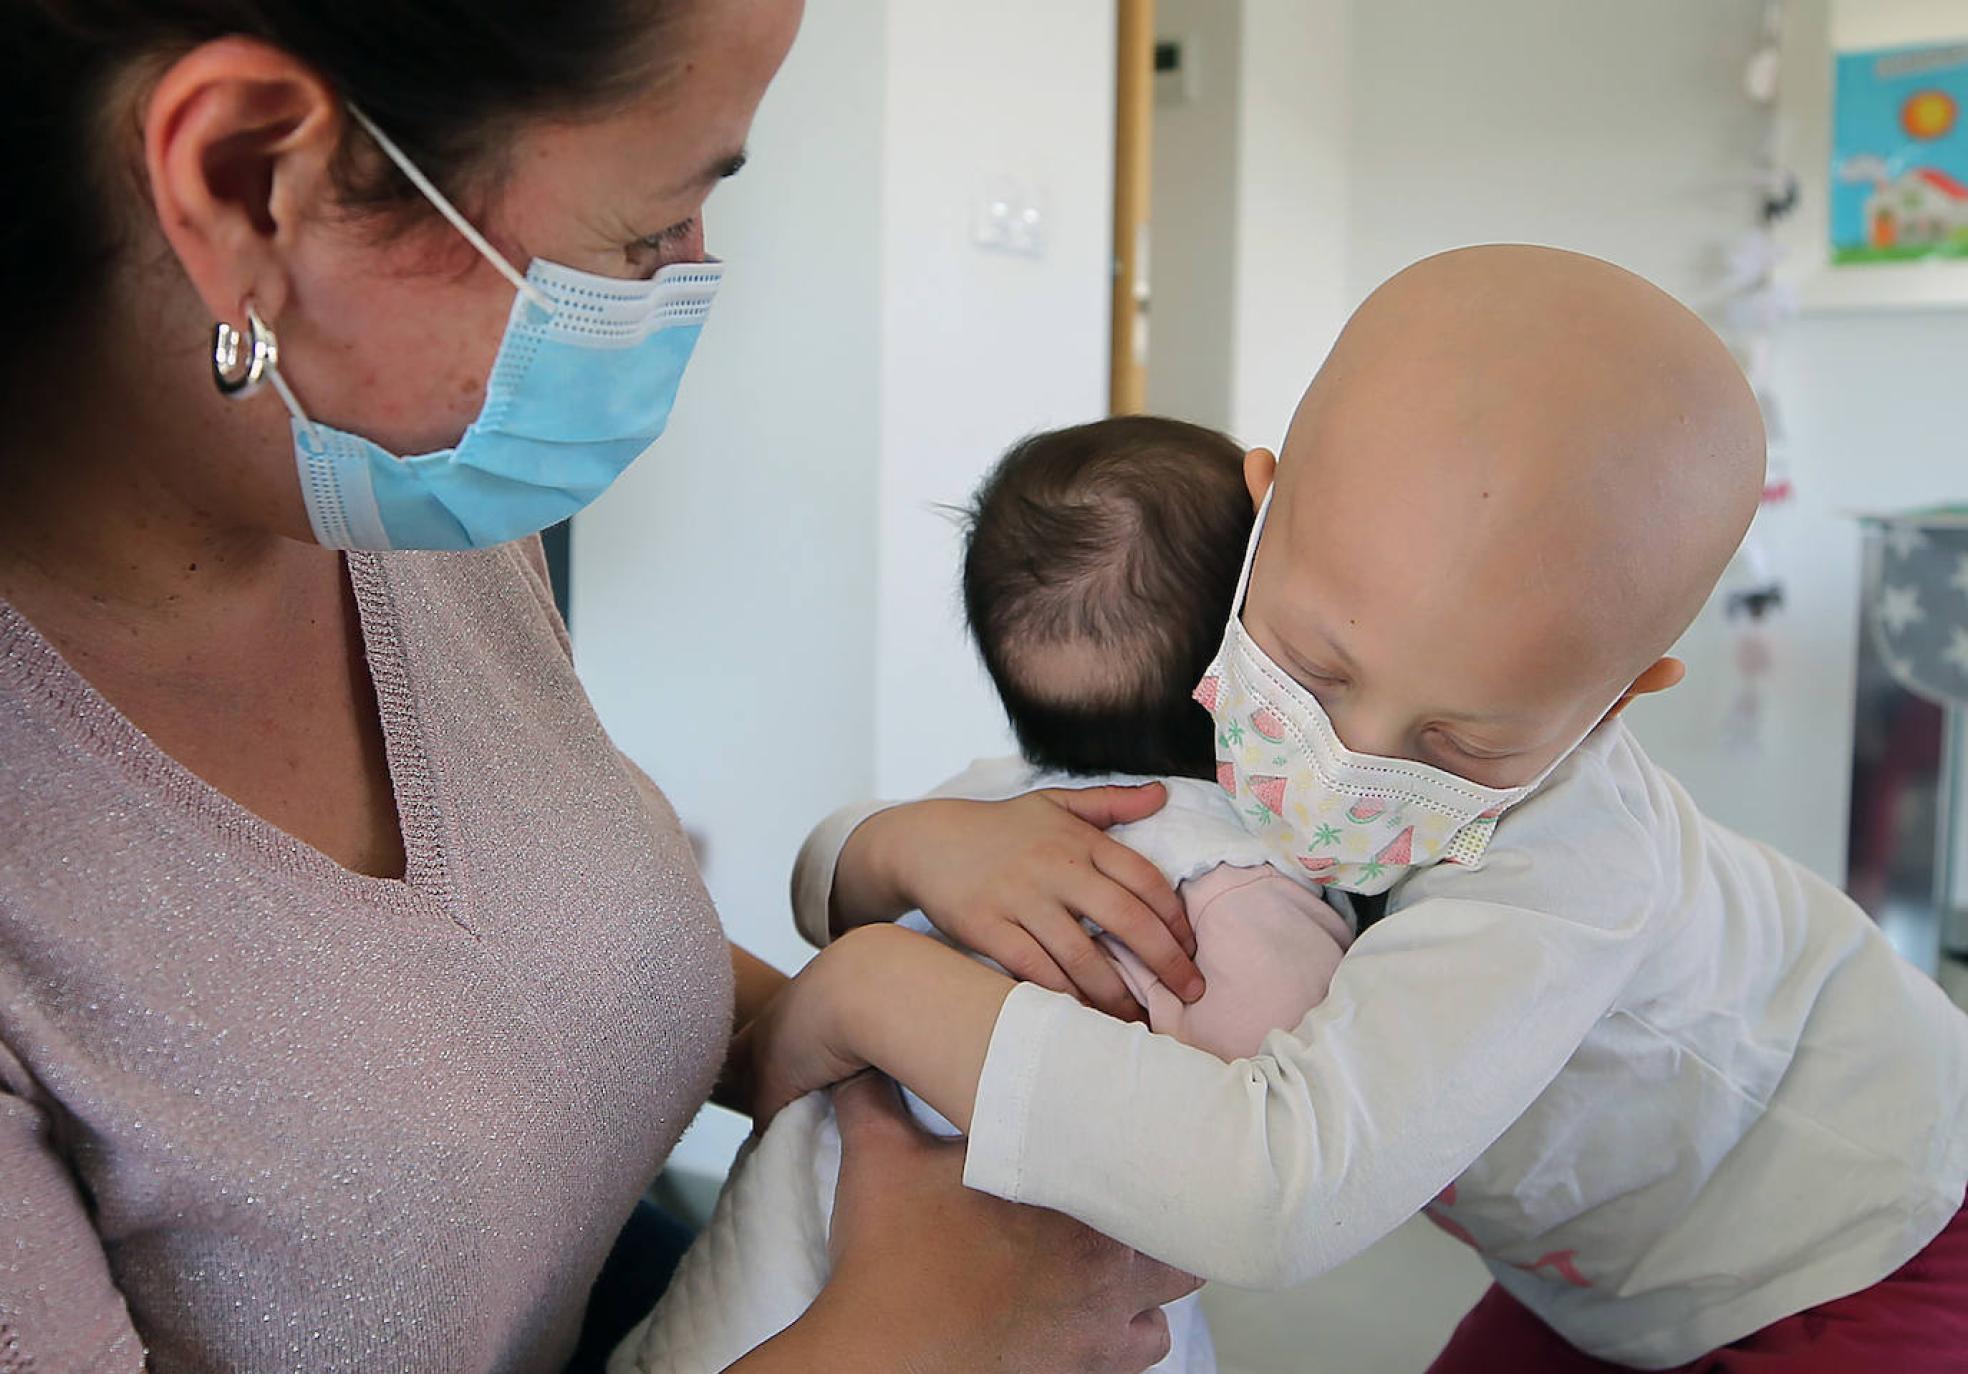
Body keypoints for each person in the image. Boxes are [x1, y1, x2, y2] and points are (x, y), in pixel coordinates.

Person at [0, 2, 1199, 1370]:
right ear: (245, 178)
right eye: (650, 232)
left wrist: (856, 993)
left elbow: (522, 990)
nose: (686, 281)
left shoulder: (408, 498)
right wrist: (912, 1336)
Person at [753, 247, 1968, 1371]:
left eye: (1462, 740)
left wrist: (884, 990)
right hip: (1590, 1270)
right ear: (1262, 514)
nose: (1344, 765)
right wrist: (907, 848)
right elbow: (936, 826)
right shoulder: (1221, 667)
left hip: (1853, 1243)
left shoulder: (1573, 867)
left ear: (1617, 699)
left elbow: (1277, 1189)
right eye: (1318, 672)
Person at [618, 418, 1353, 1373]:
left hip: (746, 1300)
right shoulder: (1245, 894)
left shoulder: (985, 811)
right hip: (1018, 1317)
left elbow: (822, 879)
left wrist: (910, 844)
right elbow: (1301, 1163)